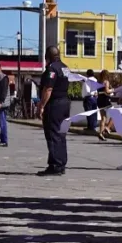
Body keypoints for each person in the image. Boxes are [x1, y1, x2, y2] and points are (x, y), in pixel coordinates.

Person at [37, 46, 71, 176]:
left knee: (53, 134)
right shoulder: (65, 67)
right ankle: (61, 163)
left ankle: (55, 165)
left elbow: (48, 89)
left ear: (48, 56)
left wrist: (41, 105)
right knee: (61, 134)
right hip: (65, 103)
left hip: (55, 104)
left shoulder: (52, 69)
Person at [96, 70, 113, 140]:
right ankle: (107, 128)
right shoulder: (106, 82)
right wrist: (112, 91)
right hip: (106, 100)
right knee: (115, 114)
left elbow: (99, 92)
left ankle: (101, 133)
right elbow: (107, 91)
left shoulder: (98, 82)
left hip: (99, 101)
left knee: (103, 118)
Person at [82, 68, 99, 132]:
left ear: (87, 74)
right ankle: (93, 126)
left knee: (88, 112)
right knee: (94, 112)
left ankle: (90, 127)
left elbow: (87, 90)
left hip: (88, 97)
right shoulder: (95, 80)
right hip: (94, 97)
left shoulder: (87, 81)